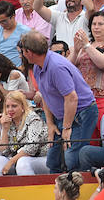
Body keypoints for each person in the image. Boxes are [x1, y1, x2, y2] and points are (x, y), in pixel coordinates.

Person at [22, 31, 98, 172]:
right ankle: (57, 190)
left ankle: (75, 188)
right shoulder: (38, 66)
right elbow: (45, 96)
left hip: (81, 112)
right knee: (52, 160)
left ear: (29, 52)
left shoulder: (56, 66)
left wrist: (66, 127)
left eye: (23, 51)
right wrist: (50, 124)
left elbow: (72, 98)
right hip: (62, 115)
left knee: (72, 159)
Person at [71, 10, 104, 120]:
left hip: (103, 97)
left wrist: (86, 45)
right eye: (94, 24)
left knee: (102, 133)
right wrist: (75, 51)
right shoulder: (86, 45)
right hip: (82, 98)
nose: (96, 27)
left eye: (100, 24)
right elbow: (68, 66)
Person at [0, 90, 48, 175]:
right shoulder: (9, 121)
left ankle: (30, 188)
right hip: (19, 159)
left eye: (14, 106)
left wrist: (11, 162)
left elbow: (31, 148)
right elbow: (4, 152)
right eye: (7, 106)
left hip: (43, 158)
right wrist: (5, 129)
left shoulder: (33, 119)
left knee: (23, 162)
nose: (10, 110)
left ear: (23, 107)